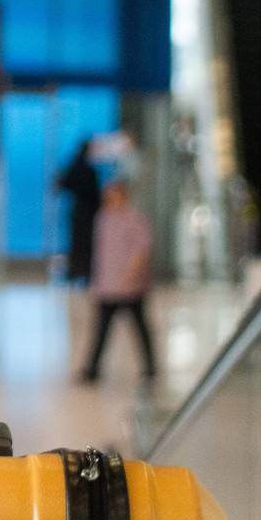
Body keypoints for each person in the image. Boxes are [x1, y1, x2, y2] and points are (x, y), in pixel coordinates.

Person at [79, 179, 158, 384]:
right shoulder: (103, 219)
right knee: (101, 330)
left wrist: (131, 275)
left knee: (140, 327)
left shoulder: (135, 219)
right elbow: (100, 254)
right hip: (107, 285)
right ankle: (92, 369)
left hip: (130, 286)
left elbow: (142, 250)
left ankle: (150, 368)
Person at [56, 136, 102, 285]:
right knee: (83, 243)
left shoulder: (77, 165)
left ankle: (79, 271)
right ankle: (81, 272)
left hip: (80, 210)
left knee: (80, 242)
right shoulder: (85, 168)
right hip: (85, 210)